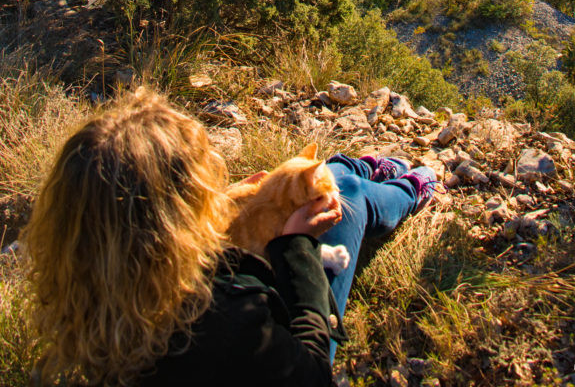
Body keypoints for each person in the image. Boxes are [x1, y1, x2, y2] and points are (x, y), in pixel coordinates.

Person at [22, 87, 436, 385]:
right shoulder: (225, 323)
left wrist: (231, 201)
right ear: (172, 222)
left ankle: (355, 166)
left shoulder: (93, 292)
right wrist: (296, 247)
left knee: (318, 178)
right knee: (348, 198)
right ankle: (410, 190)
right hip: (286, 335)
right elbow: (311, 372)